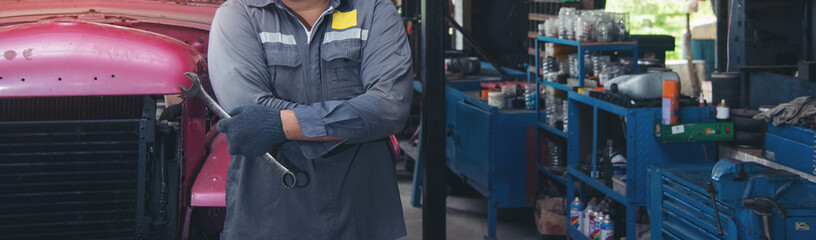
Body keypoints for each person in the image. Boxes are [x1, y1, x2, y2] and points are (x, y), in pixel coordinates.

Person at [207, 0, 413, 238]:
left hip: (361, 208)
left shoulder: (374, 9)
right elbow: (248, 113)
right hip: (270, 210)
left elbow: (390, 106)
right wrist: (353, 118)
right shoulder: (238, 13)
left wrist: (283, 125)